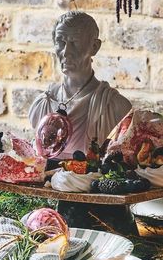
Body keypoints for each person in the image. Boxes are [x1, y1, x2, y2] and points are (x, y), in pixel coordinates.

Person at [28, 12, 130, 158]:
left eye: (75, 43)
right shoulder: (43, 104)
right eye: (60, 42)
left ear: (94, 47)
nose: (66, 52)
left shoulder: (114, 107)